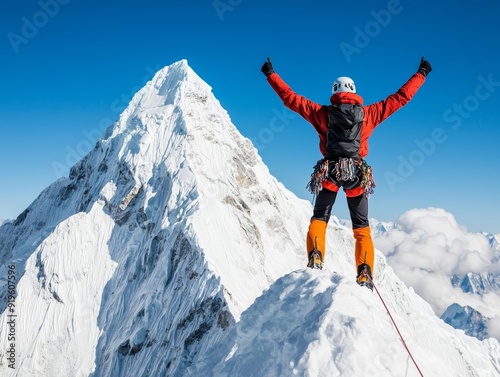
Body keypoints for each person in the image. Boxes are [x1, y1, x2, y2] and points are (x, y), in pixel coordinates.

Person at [261, 56, 432, 290]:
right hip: (355, 174)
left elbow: (290, 99)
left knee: (319, 219)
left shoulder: (321, 113)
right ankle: (364, 273)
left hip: (329, 172)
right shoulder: (369, 114)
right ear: (354, 91)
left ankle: (316, 256)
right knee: (361, 228)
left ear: (334, 92)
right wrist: (421, 73)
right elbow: (400, 98)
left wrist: (271, 74)